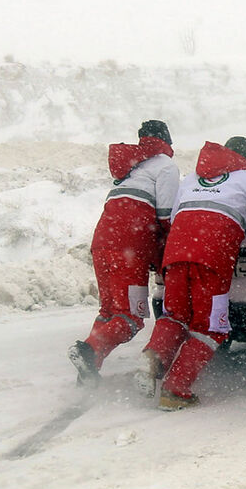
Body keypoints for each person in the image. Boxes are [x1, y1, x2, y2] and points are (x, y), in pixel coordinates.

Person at [141, 138, 246, 410]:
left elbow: (175, 217)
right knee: (211, 327)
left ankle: (153, 357)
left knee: (175, 314)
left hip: (176, 252)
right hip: (211, 257)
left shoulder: (191, 179)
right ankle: (175, 389)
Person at [69, 120, 179, 385]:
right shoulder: (166, 165)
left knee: (108, 310)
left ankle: (89, 367)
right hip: (130, 247)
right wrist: (164, 256)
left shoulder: (130, 167)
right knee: (132, 316)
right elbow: (166, 216)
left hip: (102, 241)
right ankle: (90, 350)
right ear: (167, 141)